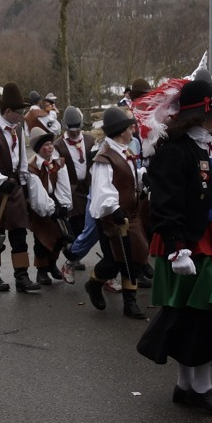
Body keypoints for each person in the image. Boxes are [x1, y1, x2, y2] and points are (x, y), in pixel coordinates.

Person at [138, 80, 212, 415]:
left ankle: (186, 385)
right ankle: (200, 388)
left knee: (195, 314)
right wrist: (176, 249)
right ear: (196, 114)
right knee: (207, 310)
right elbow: (165, 203)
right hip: (189, 241)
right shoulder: (174, 150)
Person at [82, 107, 147, 319]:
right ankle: (94, 283)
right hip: (113, 218)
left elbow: (127, 179)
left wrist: (142, 180)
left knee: (135, 255)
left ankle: (130, 303)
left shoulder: (124, 151)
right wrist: (114, 208)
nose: (133, 131)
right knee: (114, 262)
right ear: (121, 131)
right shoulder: (104, 157)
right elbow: (102, 189)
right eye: (130, 128)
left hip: (131, 214)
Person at [0, 82, 39, 293]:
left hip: (15, 190)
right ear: (8, 111)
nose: (22, 116)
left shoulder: (18, 129)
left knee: (19, 235)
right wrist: (0, 182)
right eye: (19, 112)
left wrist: (24, 182)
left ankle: (22, 277)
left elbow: (21, 160)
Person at [25, 127, 72, 287]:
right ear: (39, 148)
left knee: (60, 236)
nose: (50, 147)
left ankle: (52, 264)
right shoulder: (32, 167)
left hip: (55, 201)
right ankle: (41, 270)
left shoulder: (57, 163)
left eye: (51, 144)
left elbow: (62, 185)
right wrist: (51, 209)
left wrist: (64, 204)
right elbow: (37, 194)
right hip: (40, 206)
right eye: (46, 145)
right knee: (42, 239)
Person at [57, 106, 94, 282]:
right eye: (71, 129)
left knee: (87, 228)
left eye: (77, 128)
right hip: (71, 191)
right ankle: (72, 258)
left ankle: (74, 257)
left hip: (89, 188)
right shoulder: (58, 145)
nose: (75, 132)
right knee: (78, 227)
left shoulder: (90, 140)